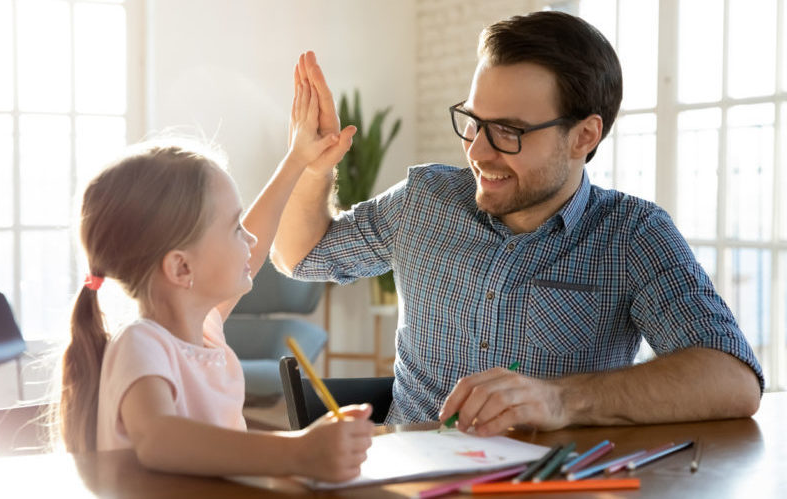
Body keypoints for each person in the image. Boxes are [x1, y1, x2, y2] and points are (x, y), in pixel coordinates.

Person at [271, 12, 763, 436]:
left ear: (583, 136)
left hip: (543, 482)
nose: (478, 153)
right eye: (474, 121)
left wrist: (558, 400)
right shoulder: (424, 201)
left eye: (509, 131)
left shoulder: (632, 235)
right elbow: (300, 255)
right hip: (409, 480)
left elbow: (733, 380)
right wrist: (315, 167)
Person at [59, 62, 373, 482]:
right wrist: (295, 452)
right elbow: (159, 440)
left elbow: (256, 244)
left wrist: (298, 159)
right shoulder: (141, 345)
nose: (248, 240)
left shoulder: (202, 330)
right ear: (182, 268)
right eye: (233, 228)